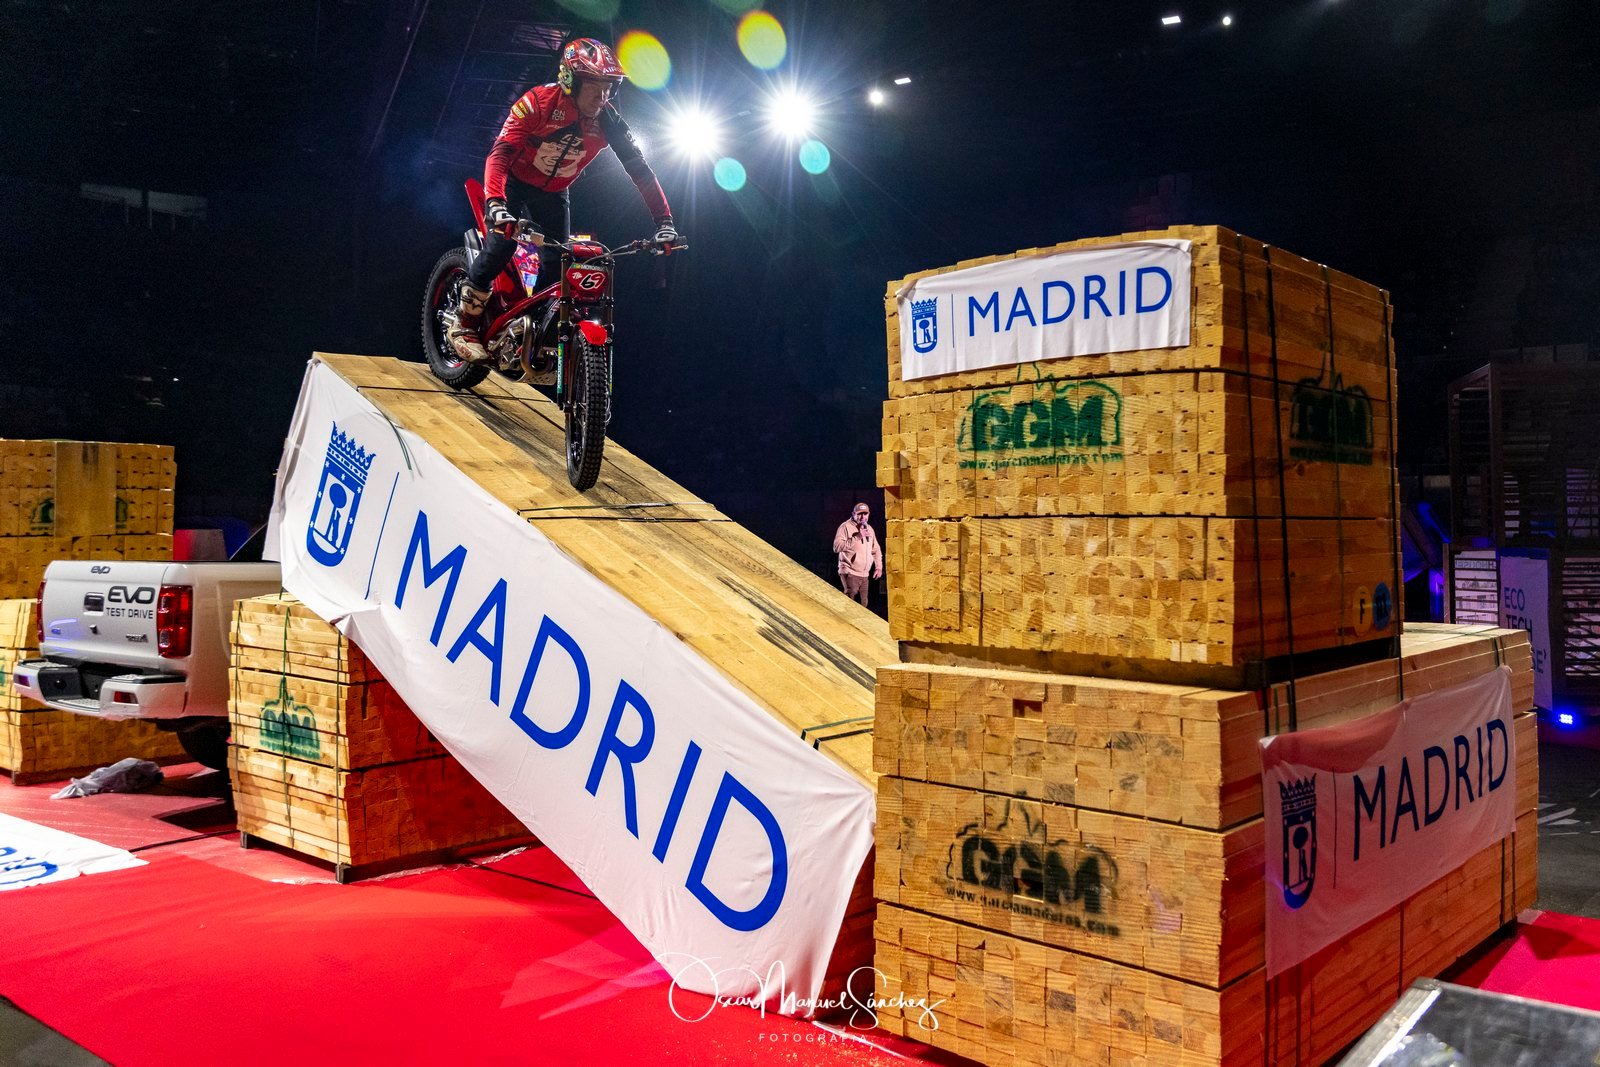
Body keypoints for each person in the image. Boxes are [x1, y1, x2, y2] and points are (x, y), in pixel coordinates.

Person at [448, 37, 679, 364]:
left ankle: (530, 332)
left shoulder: (608, 119)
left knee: (560, 263)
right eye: (595, 87)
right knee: (502, 245)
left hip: (555, 192)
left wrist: (664, 222)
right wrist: (496, 203)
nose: (602, 97)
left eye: (608, 88)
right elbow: (499, 155)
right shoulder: (537, 103)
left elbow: (640, 170)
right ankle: (464, 325)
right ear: (570, 80)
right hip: (513, 183)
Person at [833, 502, 883, 607]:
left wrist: (878, 567)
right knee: (851, 604)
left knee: (863, 605)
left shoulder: (869, 529)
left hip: (864, 575)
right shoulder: (845, 527)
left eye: (865, 514)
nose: (863, 517)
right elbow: (837, 547)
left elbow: (876, 550)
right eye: (859, 514)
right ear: (853, 514)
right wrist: (858, 536)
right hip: (850, 571)